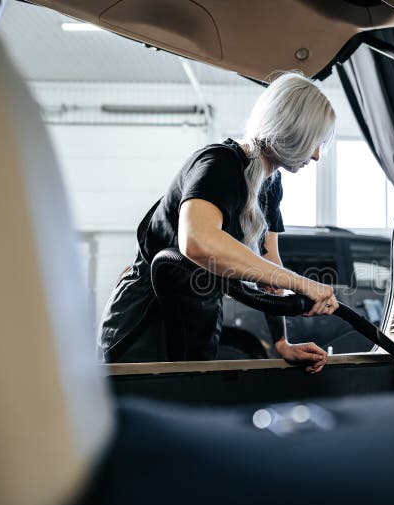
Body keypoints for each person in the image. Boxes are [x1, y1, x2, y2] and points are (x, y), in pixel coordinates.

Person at [99, 72, 339, 373]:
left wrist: (281, 343)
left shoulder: (271, 186)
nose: (316, 156)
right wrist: (300, 282)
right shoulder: (218, 164)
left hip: (200, 316)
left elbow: (269, 265)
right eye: (314, 142)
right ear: (290, 129)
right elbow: (197, 242)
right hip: (147, 318)